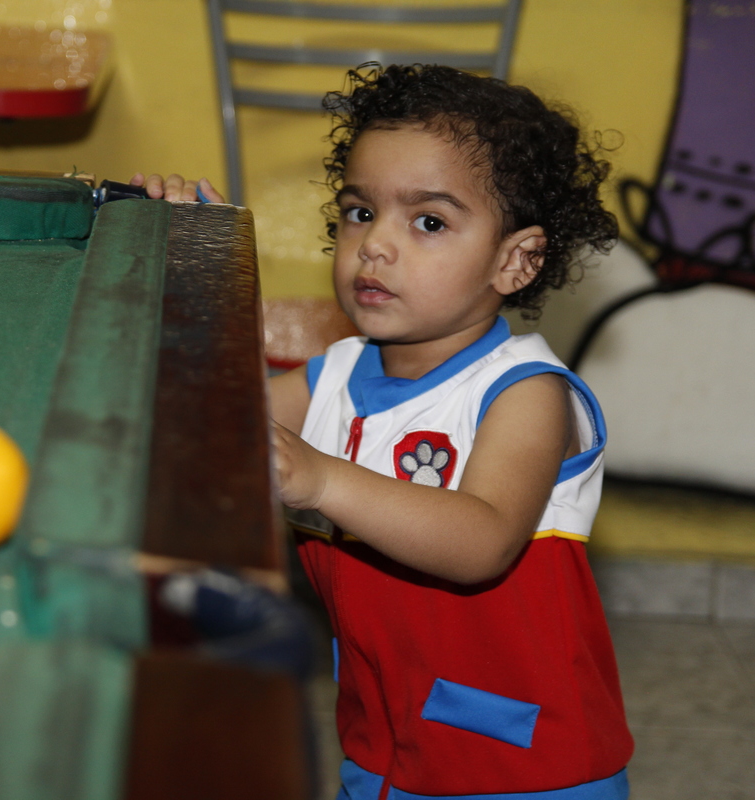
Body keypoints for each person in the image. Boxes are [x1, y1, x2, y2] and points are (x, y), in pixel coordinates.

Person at [134, 63, 632, 799]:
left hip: (527, 764)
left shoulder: (526, 393)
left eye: (428, 222)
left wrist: (321, 478)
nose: (375, 245)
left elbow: (483, 540)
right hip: (382, 747)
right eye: (360, 211)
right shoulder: (334, 376)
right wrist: (186, 267)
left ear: (515, 260)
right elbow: (203, 415)